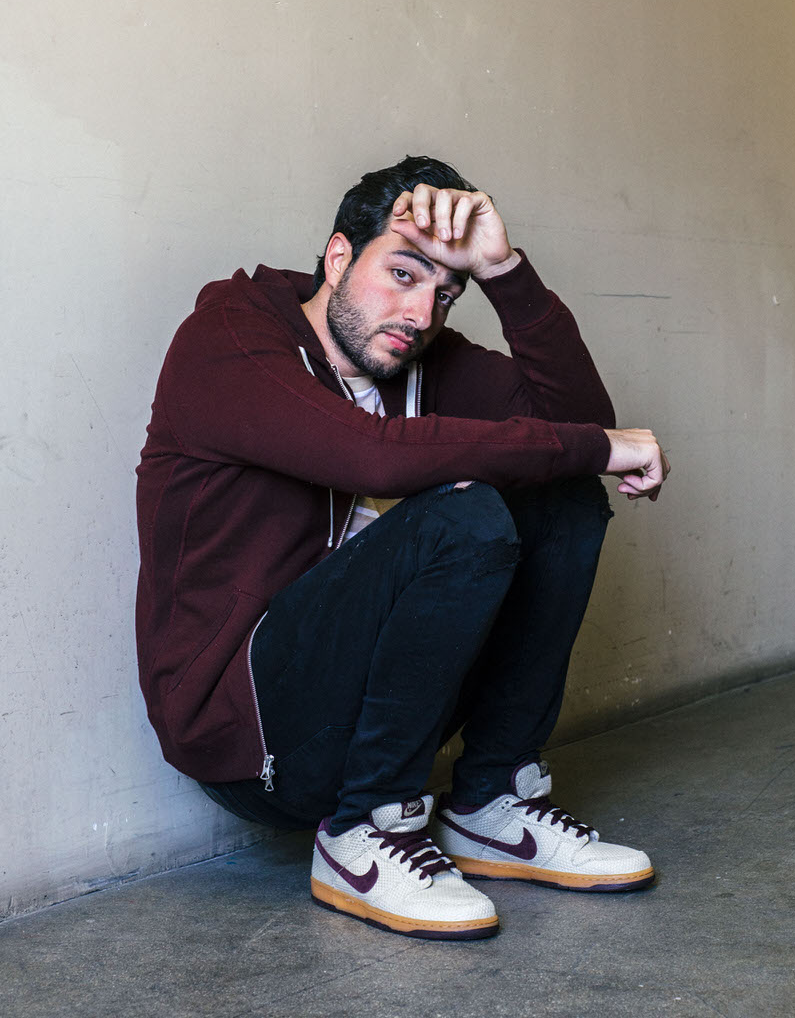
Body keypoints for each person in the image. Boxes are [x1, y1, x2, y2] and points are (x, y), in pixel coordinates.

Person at [136, 155, 670, 941]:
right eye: (403, 274)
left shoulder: (422, 359)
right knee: (466, 515)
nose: (420, 313)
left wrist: (505, 272)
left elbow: (585, 422)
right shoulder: (231, 335)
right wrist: (595, 447)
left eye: (444, 293)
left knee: (560, 493)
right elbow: (373, 457)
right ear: (339, 256)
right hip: (250, 731)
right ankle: (367, 829)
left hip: (382, 710)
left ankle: (491, 801)